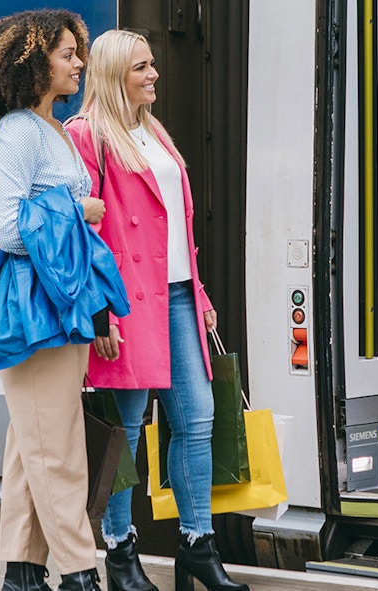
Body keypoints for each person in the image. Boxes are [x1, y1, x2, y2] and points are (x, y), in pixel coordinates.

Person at [65, 30, 247, 591]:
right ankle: (121, 555)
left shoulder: (153, 132)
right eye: (142, 68)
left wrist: (200, 293)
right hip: (127, 303)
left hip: (175, 296)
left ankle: (198, 546)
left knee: (196, 418)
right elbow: (86, 232)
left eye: (153, 66)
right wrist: (104, 315)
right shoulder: (88, 135)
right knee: (125, 430)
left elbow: (177, 228)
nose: (154, 76)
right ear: (117, 74)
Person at [0, 9, 107, 591]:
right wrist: (81, 211)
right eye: (67, 53)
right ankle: (79, 573)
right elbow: (5, 228)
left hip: (63, 301)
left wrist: (98, 309)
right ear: (33, 61)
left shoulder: (56, 129)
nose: (79, 63)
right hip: (33, 308)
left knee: (34, 447)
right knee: (58, 451)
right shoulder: (19, 131)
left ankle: (23, 575)